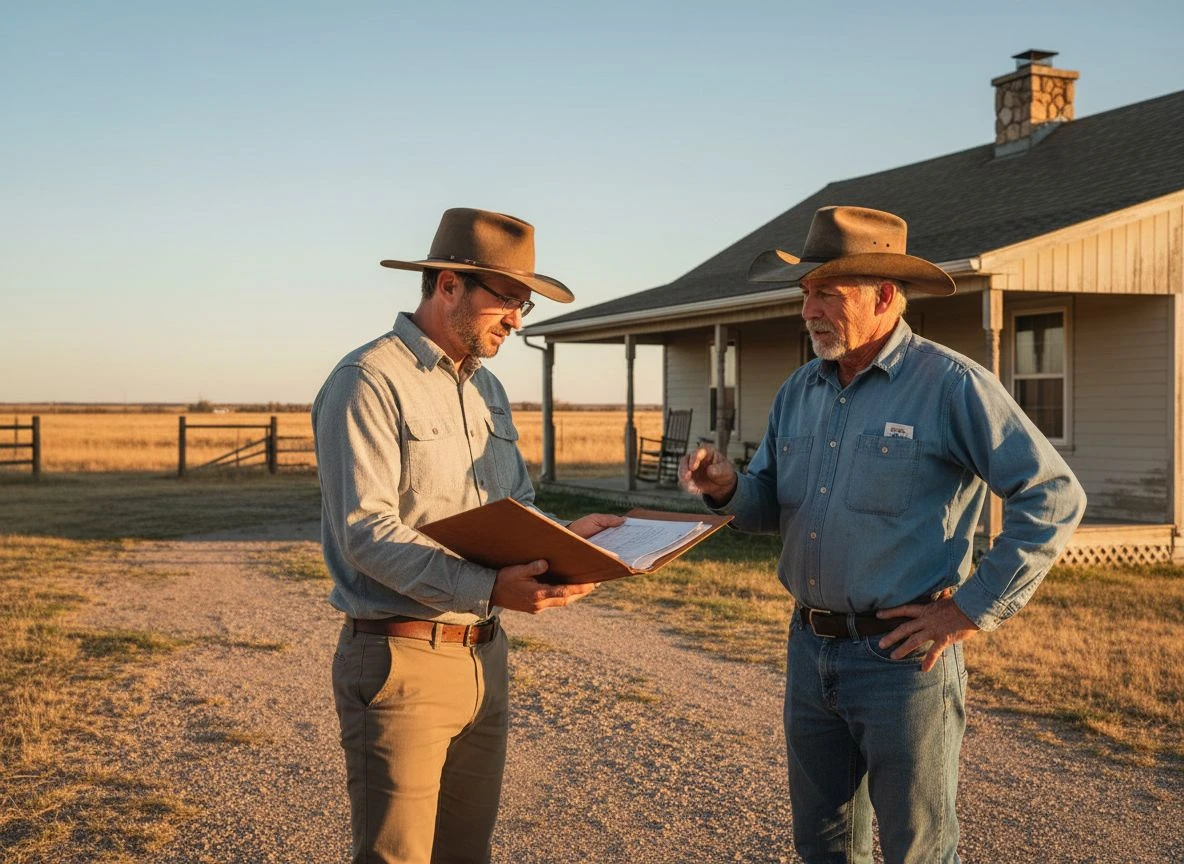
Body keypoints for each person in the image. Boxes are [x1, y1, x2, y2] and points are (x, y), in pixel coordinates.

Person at [680, 205, 1086, 864]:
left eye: (827, 294)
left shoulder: (951, 386)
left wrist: (970, 610)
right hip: (809, 653)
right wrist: (725, 485)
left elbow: (1054, 496)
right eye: (805, 293)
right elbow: (761, 511)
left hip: (902, 660)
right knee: (824, 845)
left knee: (917, 852)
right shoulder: (799, 393)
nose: (808, 309)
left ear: (886, 297)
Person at [312, 207, 624, 864]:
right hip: (400, 661)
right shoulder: (367, 381)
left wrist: (567, 546)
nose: (516, 319)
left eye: (523, 306)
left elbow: (511, 511)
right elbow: (364, 533)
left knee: (466, 854)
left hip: (486, 657)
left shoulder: (491, 392)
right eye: (505, 300)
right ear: (449, 285)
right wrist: (489, 588)